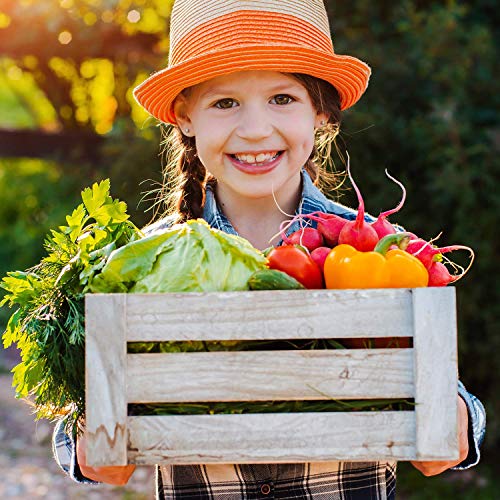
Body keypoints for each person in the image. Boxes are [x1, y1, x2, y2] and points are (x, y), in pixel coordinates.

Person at [53, 0, 486, 498]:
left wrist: (445, 412)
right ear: (184, 117)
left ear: (320, 112)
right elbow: (104, 461)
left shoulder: (378, 252)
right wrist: (92, 426)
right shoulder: (145, 264)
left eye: (282, 98)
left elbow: (441, 448)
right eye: (224, 103)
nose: (256, 129)